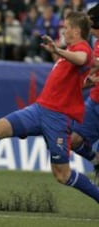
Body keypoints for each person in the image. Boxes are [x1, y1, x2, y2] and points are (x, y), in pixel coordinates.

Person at [0, 11, 99, 203]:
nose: (63, 30)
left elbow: (81, 58)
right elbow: (73, 78)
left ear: (76, 30)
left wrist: (57, 50)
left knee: (62, 175)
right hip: (39, 110)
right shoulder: (70, 52)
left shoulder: (83, 49)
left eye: (66, 27)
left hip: (57, 118)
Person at [71, 3, 99, 186]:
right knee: (73, 140)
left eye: (91, 23)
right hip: (95, 102)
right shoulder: (96, 43)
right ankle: (96, 160)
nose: (89, 28)